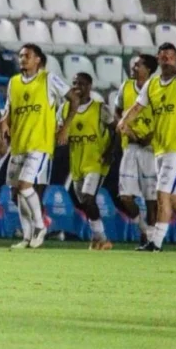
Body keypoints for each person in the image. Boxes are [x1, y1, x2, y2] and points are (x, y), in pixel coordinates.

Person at [118, 43, 176, 252]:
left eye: (171, 56)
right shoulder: (152, 84)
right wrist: (124, 120)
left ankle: (156, 242)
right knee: (174, 197)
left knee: (162, 193)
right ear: (158, 59)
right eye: (163, 56)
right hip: (160, 149)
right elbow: (137, 107)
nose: (167, 59)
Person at [0, 44, 70, 250]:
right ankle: (27, 237)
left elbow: (73, 98)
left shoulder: (48, 79)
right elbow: (8, 111)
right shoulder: (14, 82)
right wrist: (0, 134)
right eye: (20, 56)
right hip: (19, 145)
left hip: (40, 144)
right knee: (16, 193)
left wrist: (65, 128)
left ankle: (40, 226)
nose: (22, 59)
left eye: (27, 56)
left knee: (25, 186)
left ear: (38, 60)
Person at [58, 73, 116, 250]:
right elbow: (59, 132)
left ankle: (103, 238)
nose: (77, 87)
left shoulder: (100, 109)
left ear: (90, 86)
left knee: (88, 198)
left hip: (96, 162)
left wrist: (110, 152)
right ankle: (97, 238)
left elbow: (116, 130)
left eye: (81, 84)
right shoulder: (64, 109)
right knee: (84, 201)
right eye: (74, 83)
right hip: (77, 163)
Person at [114, 54, 157, 242]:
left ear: (148, 69)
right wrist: (124, 126)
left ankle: (151, 238)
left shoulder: (156, 87)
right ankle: (143, 228)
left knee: (151, 197)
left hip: (151, 149)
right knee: (125, 196)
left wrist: (151, 136)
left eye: (138, 65)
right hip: (130, 147)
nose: (133, 68)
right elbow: (117, 111)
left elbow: (164, 117)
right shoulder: (126, 86)